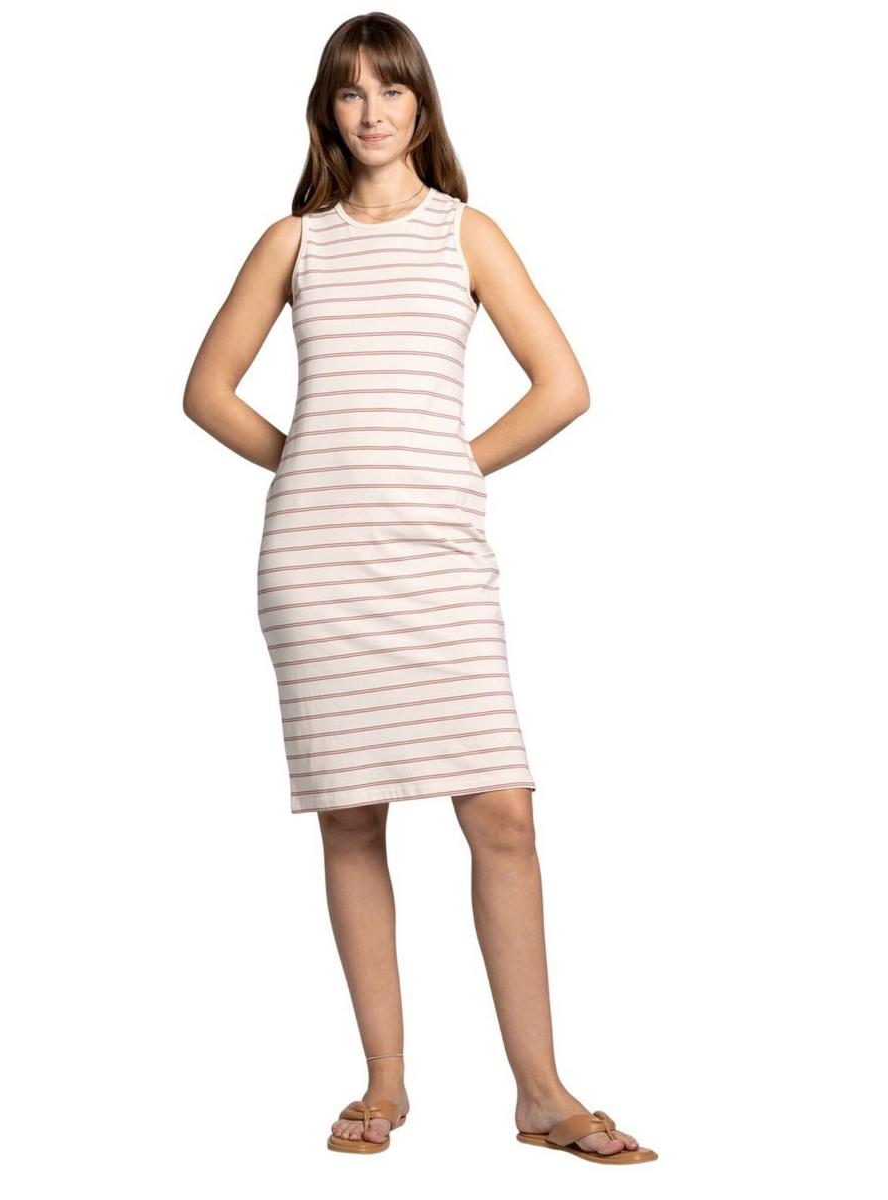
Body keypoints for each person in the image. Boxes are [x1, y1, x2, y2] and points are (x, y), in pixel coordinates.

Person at [183, 14, 657, 1166]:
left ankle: (540, 1092)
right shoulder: (294, 242)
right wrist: (315, 463)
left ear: (422, 105)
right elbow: (207, 391)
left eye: (391, 89)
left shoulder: (466, 232)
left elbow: (564, 386)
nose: (373, 111)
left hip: (436, 556)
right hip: (317, 564)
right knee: (352, 816)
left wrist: (449, 465)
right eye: (350, 93)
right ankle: (384, 1083)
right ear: (326, 113)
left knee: (502, 812)